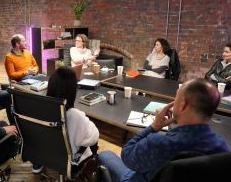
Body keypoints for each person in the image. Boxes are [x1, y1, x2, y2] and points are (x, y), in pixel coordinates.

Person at [98, 78, 229, 182]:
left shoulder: (160, 144)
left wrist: (154, 127)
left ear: (182, 104)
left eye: (176, 97)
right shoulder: (223, 147)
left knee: (106, 155)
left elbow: (127, 155)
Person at [32, 67, 99, 174]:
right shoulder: (74, 115)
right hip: (68, 161)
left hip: (45, 154)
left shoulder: (39, 108)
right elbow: (93, 137)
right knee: (92, 138)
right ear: (72, 89)